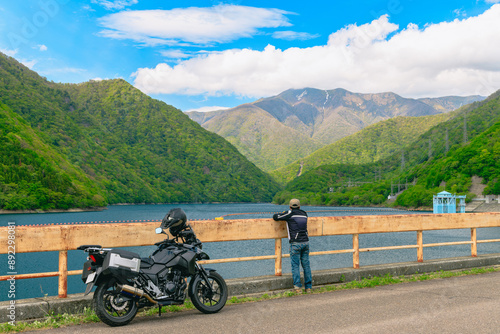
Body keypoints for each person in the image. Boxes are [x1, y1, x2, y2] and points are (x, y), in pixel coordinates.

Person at [273, 198, 312, 293]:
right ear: (299, 206)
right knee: (306, 265)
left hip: (295, 243)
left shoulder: (289, 213)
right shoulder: (304, 214)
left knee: (295, 265)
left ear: (290, 206)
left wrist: (284, 212)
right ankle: (308, 287)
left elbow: (275, 217)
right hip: (306, 242)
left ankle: (298, 288)